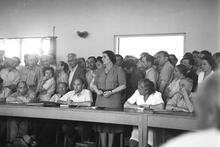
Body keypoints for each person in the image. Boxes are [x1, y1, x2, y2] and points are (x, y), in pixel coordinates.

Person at [161, 70, 220, 147]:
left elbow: (191, 110)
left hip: (190, 126)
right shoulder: (177, 95)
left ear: (190, 87)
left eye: (183, 85)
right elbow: (168, 106)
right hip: (177, 124)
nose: (180, 88)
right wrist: (182, 109)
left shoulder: (196, 96)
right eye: (179, 85)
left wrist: (185, 95)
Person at [91, 50, 126, 147]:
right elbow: (94, 84)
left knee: (111, 126)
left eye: (104, 57)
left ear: (110, 58)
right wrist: (97, 91)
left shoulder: (119, 69)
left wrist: (111, 92)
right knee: (101, 125)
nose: (102, 59)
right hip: (100, 99)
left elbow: (123, 85)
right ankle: (103, 145)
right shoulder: (99, 70)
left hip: (113, 100)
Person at [124, 79, 164, 147]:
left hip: (151, 126)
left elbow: (161, 106)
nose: (138, 89)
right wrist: (140, 106)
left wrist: (148, 106)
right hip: (138, 125)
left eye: (140, 88)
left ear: (146, 90)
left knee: (146, 145)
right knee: (132, 144)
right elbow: (126, 105)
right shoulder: (137, 92)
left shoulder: (157, 94)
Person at [59, 78, 93, 146]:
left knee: (81, 129)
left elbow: (89, 104)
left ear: (83, 85)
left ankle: (83, 143)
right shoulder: (70, 93)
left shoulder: (87, 92)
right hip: (72, 119)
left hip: (84, 120)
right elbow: (58, 101)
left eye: (78, 85)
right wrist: (66, 102)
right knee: (65, 127)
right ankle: (73, 143)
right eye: (74, 85)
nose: (76, 87)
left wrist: (74, 103)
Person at [6, 81, 36, 145]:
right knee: (11, 121)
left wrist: (18, 99)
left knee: (24, 122)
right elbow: (8, 99)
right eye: (20, 87)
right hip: (17, 115)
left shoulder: (31, 92)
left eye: (24, 87)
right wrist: (18, 98)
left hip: (29, 116)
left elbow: (29, 100)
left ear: (27, 88)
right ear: (17, 88)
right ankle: (14, 142)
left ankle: (21, 141)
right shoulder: (16, 93)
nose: (22, 89)